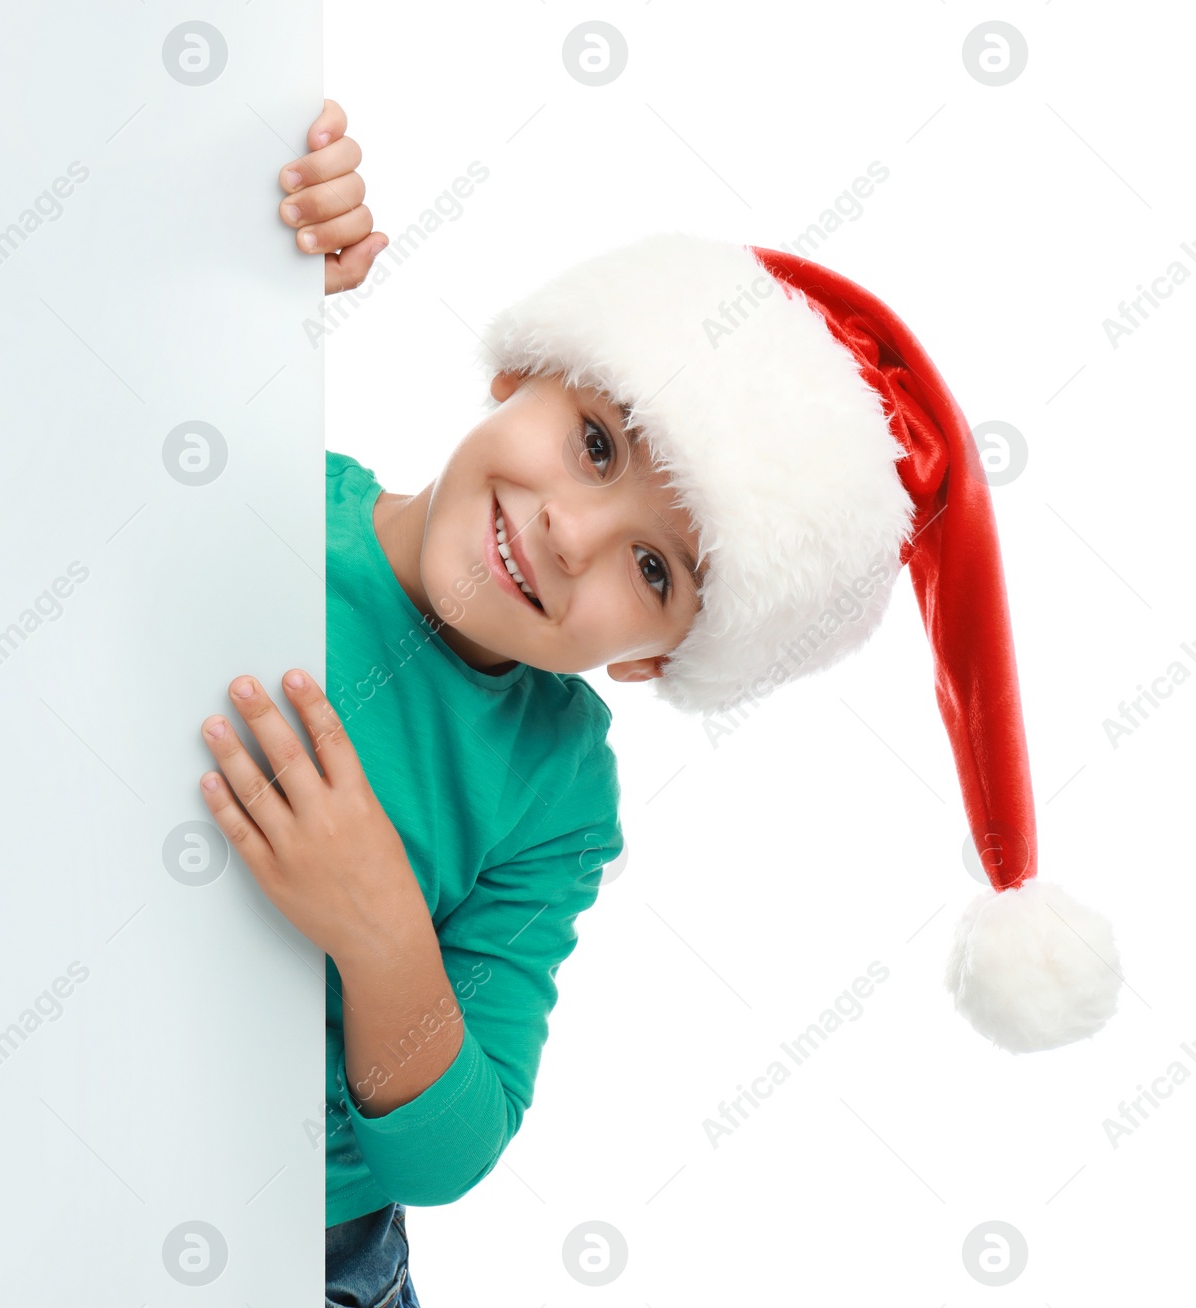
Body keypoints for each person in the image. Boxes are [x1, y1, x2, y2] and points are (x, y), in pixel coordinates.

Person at [199, 100, 1123, 1308]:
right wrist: (240, 262)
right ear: (524, 371)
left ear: (651, 661)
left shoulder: (558, 786)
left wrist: (379, 926)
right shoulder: (252, 485)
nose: (570, 534)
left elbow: (444, 1155)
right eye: (594, 441)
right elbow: (36, 432)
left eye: (655, 570)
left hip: (306, 1259)